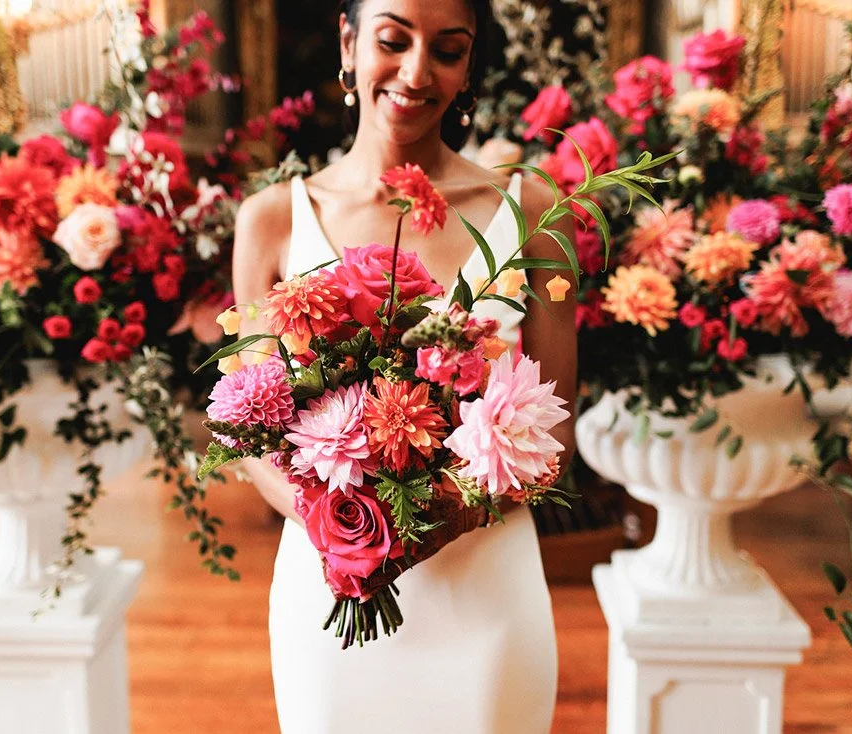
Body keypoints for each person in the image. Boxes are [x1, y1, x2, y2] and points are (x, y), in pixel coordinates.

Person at [231, 1, 579, 731]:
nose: (417, 71)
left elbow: (556, 437)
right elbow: (252, 432)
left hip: (484, 591)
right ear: (350, 43)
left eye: (448, 50)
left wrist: (437, 521)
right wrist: (344, 530)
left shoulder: (536, 210)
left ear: (469, 69)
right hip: (333, 596)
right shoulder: (271, 220)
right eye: (394, 40)